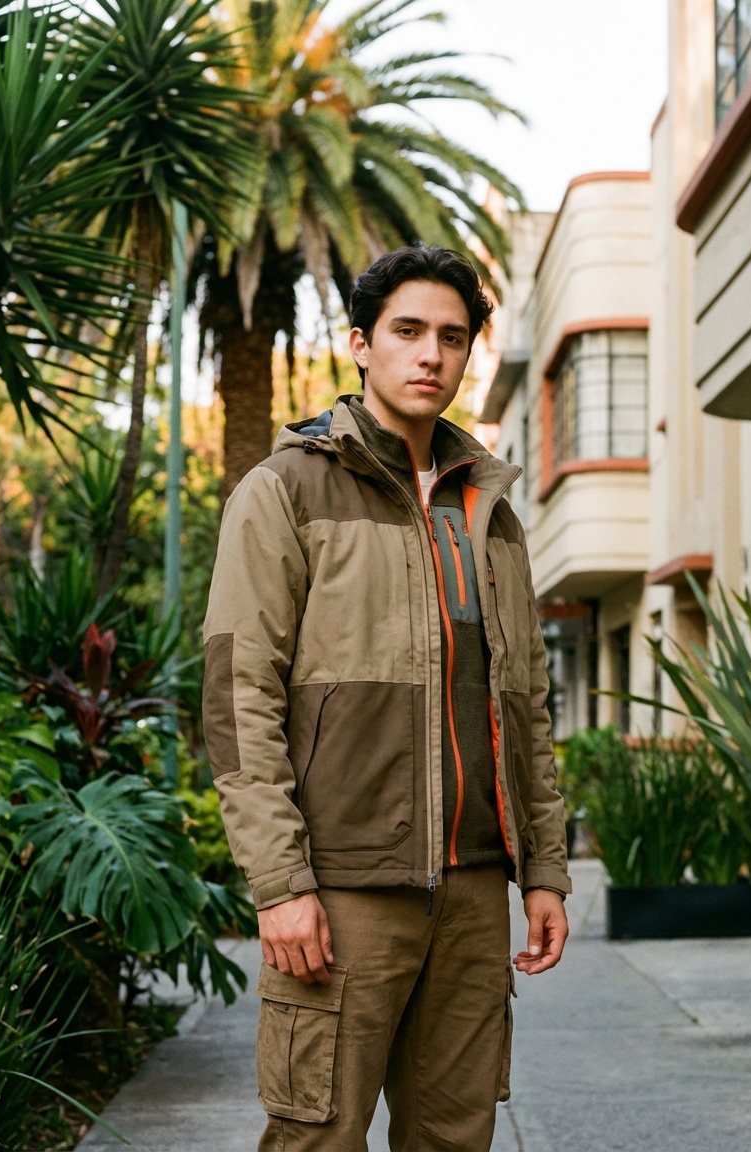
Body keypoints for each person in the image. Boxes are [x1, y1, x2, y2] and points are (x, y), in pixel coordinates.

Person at [203, 244, 571, 1152]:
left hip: (476, 890)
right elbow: (236, 700)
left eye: (452, 337)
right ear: (361, 343)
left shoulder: (490, 510)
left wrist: (547, 869)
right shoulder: (284, 491)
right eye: (408, 331)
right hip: (342, 890)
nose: (430, 355)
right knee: (317, 1136)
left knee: (454, 1137)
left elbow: (524, 706)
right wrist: (281, 884)